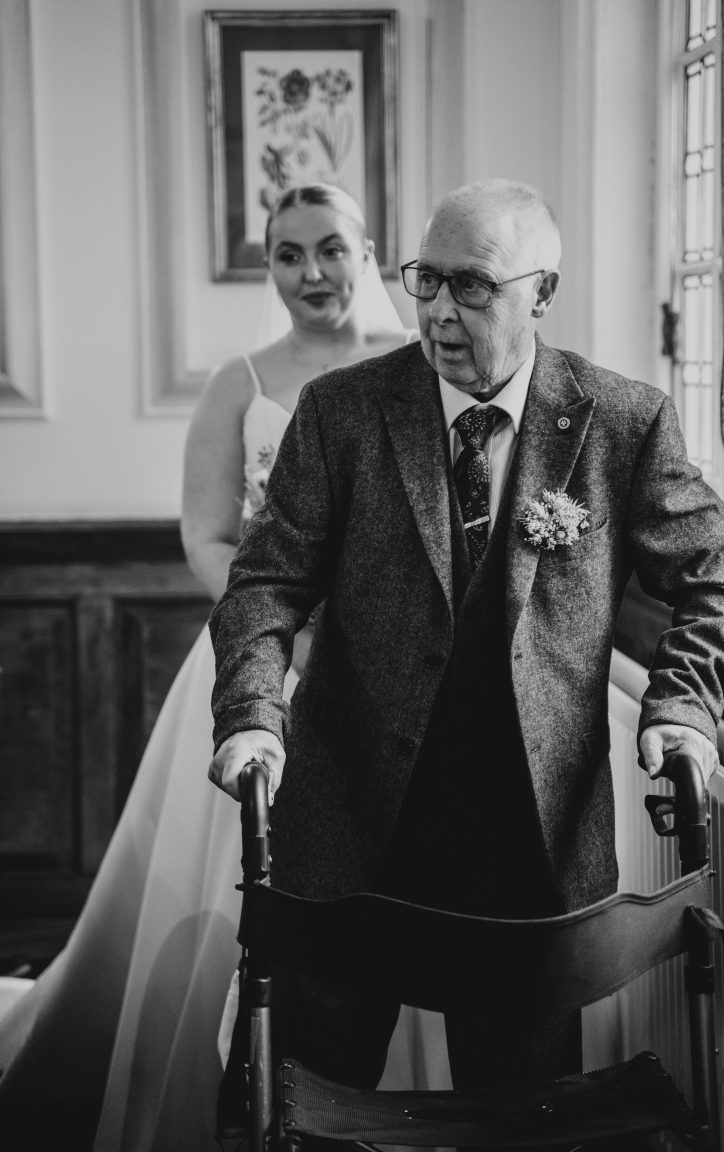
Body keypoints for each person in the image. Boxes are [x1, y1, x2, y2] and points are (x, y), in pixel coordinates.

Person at [208, 178, 724, 1097]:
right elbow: (264, 584)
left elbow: (717, 573)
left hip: (528, 854)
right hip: (348, 829)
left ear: (540, 293)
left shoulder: (621, 423)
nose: (437, 310)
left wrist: (685, 706)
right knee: (299, 1093)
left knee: (519, 1116)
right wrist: (253, 715)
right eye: (427, 280)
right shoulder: (342, 413)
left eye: (473, 287)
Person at [0, 184, 441, 1152]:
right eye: (288, 255)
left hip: (392, 674)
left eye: (331, 248)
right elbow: (205, 534)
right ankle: (229, 1094)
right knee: (244, 884)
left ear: (368, 252)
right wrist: (276, 622)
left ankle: (398, 1106)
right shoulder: (242, 380)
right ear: (268, 266)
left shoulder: (414, 370)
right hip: (262, 665)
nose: (311, 273)